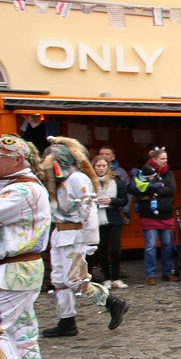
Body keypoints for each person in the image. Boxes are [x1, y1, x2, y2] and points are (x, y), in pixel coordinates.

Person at [41, 137, 129, 337]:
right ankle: (67, 320)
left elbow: (89, 210)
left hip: (75, 235)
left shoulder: (76, 179)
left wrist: (91, 241)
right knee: (59, 280)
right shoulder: (57, 183)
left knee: (75, 280)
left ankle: (112, 302)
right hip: (60, 234)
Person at [0, 135, 51, 359]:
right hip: (19, 270)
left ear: (17, 160)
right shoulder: (15, 186)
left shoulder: (21, 191)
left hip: (14, 271)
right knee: (21, 333)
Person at [129, 146, 178, 283]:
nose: (165, 161)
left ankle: (167, 272)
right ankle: (150, 275)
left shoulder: (169, 174)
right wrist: (153, 190)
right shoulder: (144, 172)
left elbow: (171, 189)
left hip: (166, 212)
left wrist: (154, 192)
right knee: (150, 246)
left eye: (166, 158)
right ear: (154, 159)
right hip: (149, 214)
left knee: (167, 245)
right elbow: (137, 189)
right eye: (162, 158)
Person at [92, 155, 128, 288]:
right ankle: (106, 277)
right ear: (94, 167)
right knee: (101, 248)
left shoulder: (116, 180)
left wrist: (111, 200)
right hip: (97, 218)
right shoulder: (90, 182)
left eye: (103, 166)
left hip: (113, 217)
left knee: (115, 248)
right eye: (98, 166)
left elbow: (124, 200)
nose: (101, 169)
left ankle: (116, 276)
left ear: (108, 167)